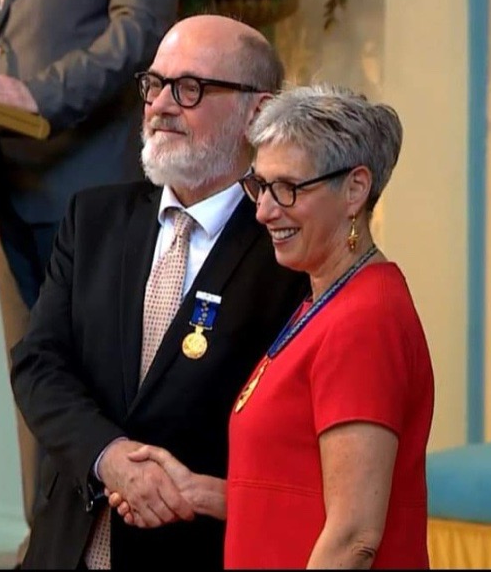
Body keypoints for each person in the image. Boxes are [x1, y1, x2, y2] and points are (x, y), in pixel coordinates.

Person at [8, 14, 311, 569]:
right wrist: (110, 456)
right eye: (154, 84)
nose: (161, 105)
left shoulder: (286, 255)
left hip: (195, 549)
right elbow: (38, 364)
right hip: (67, 544)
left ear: (259, 112)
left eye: (190, 88)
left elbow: (293, 438)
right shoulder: (94, 218)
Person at [110, 83, 435, 569]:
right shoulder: (322, 299)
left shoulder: (366, 318)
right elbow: (302, 493)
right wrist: (196, 492)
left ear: (355, 188)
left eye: (287, 189)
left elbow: (353, 537)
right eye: (259, 186)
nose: (263, 210)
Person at [0, 0, 180, 565]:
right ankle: (47, 546)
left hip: (87, 176)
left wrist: (40, 95)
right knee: (33, 376)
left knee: (93, 380)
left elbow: (143, 25)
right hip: (13, 181)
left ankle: (94, 550)